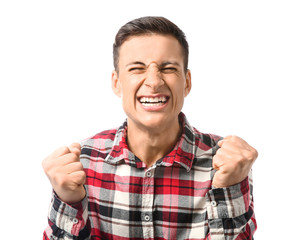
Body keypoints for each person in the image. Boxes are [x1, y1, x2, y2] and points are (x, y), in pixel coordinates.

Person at [42, 16, 258, 240]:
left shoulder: (226, 163)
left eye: (168, 68)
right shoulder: (82, 164)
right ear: (117, 83)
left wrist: (229, 190)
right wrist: (68, 201)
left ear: (186, 82)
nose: (154, 82)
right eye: (137, 68)